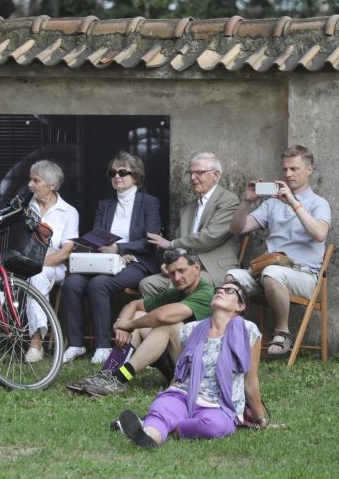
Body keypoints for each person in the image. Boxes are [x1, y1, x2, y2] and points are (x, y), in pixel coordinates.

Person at [114, 281, 263, 447]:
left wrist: (261, 419)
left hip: (219, 405)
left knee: (216, 426)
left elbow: (250, 380)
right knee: (163, 408)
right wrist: (170, 393)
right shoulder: (191, 329)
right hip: (183, 395)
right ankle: (149, 436)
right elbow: (182, 371)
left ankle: (171, 425)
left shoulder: (249, 331)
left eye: (229, 291)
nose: (221, 292)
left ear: (240, 306)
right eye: (219, 289)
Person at [227, 145, 332, 356]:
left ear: (310, 170)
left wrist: (294, 203)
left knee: (271, 274)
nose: (288, 174)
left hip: (304, 275)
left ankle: (282, 331)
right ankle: (234, 335)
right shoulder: (272, 204)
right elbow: (238, 228)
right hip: (268, 269)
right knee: (232, 276)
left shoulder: (319, 203)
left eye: (294, 169)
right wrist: (246, 202)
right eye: (285, 169)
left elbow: (320, 234)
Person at [66, 247, 213, 396]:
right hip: (178, 364)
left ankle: (120, 378)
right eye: (172, 273)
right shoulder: (177, 293)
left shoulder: (207, 293)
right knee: (138, 316)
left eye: (182, 271)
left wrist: (129, 325)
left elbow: (162, 316)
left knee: (170, 325)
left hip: (199, 374)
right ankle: (106, 374)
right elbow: (133, 305)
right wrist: (122, 325)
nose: (176, 277)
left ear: (196, 268)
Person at [61, 151, 162, 364]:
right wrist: (95, 244)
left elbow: (149, 241)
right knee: (72, 283)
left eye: (123, 172)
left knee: (98, 284)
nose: (117, 176)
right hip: (104, 261)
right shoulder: (105, 204)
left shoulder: (149, 202)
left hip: (137, 262)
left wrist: (120, 248)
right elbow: (98, 236)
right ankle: (76, 344)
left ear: (136, 176)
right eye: (113, 172)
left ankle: (103, 346)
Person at [0, 160, 79, 362]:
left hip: (51, 266)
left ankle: (36, 343)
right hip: (19, 263)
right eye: (30, 179)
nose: (30, 184)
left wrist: (36, 264)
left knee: (38, 276)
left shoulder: (69, 212)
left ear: (53, 186)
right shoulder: (22, 207)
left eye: (36, 180)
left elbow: (66, 252)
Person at [140, 152, 240, 296]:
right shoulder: (187, 209)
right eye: (191, 173)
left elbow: (210, 237)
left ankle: (178, 319)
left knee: (174, 286)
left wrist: (171, 244)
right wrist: (170, 264)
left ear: (216, 175)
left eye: (199, 172)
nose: (193, 178)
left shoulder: (229, 201)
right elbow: (180, 248)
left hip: (213, 268)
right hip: (186, 268)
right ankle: (160, 318)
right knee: (147, 284)